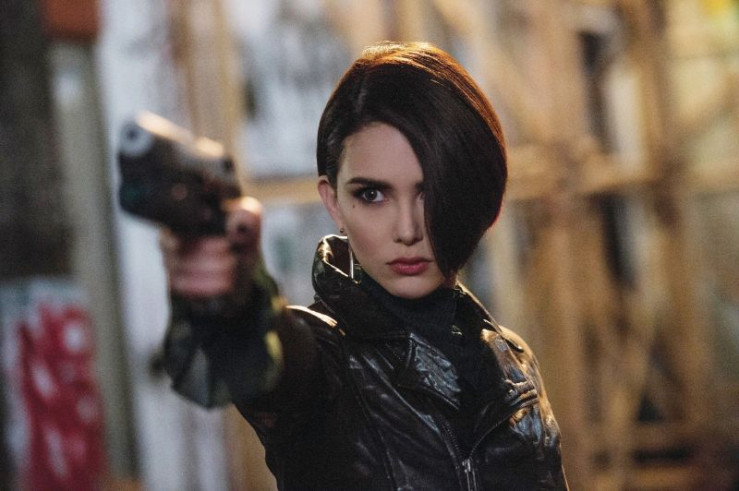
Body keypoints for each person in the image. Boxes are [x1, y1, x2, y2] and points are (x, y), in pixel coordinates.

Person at [160, 41, 568, 490]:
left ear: (474, 193)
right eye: (372, 194)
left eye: (430, 192)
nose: (407, 229)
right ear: (333, 201)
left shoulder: (513, 361)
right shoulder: (321, 365)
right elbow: (262, 356)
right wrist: (231, 302)